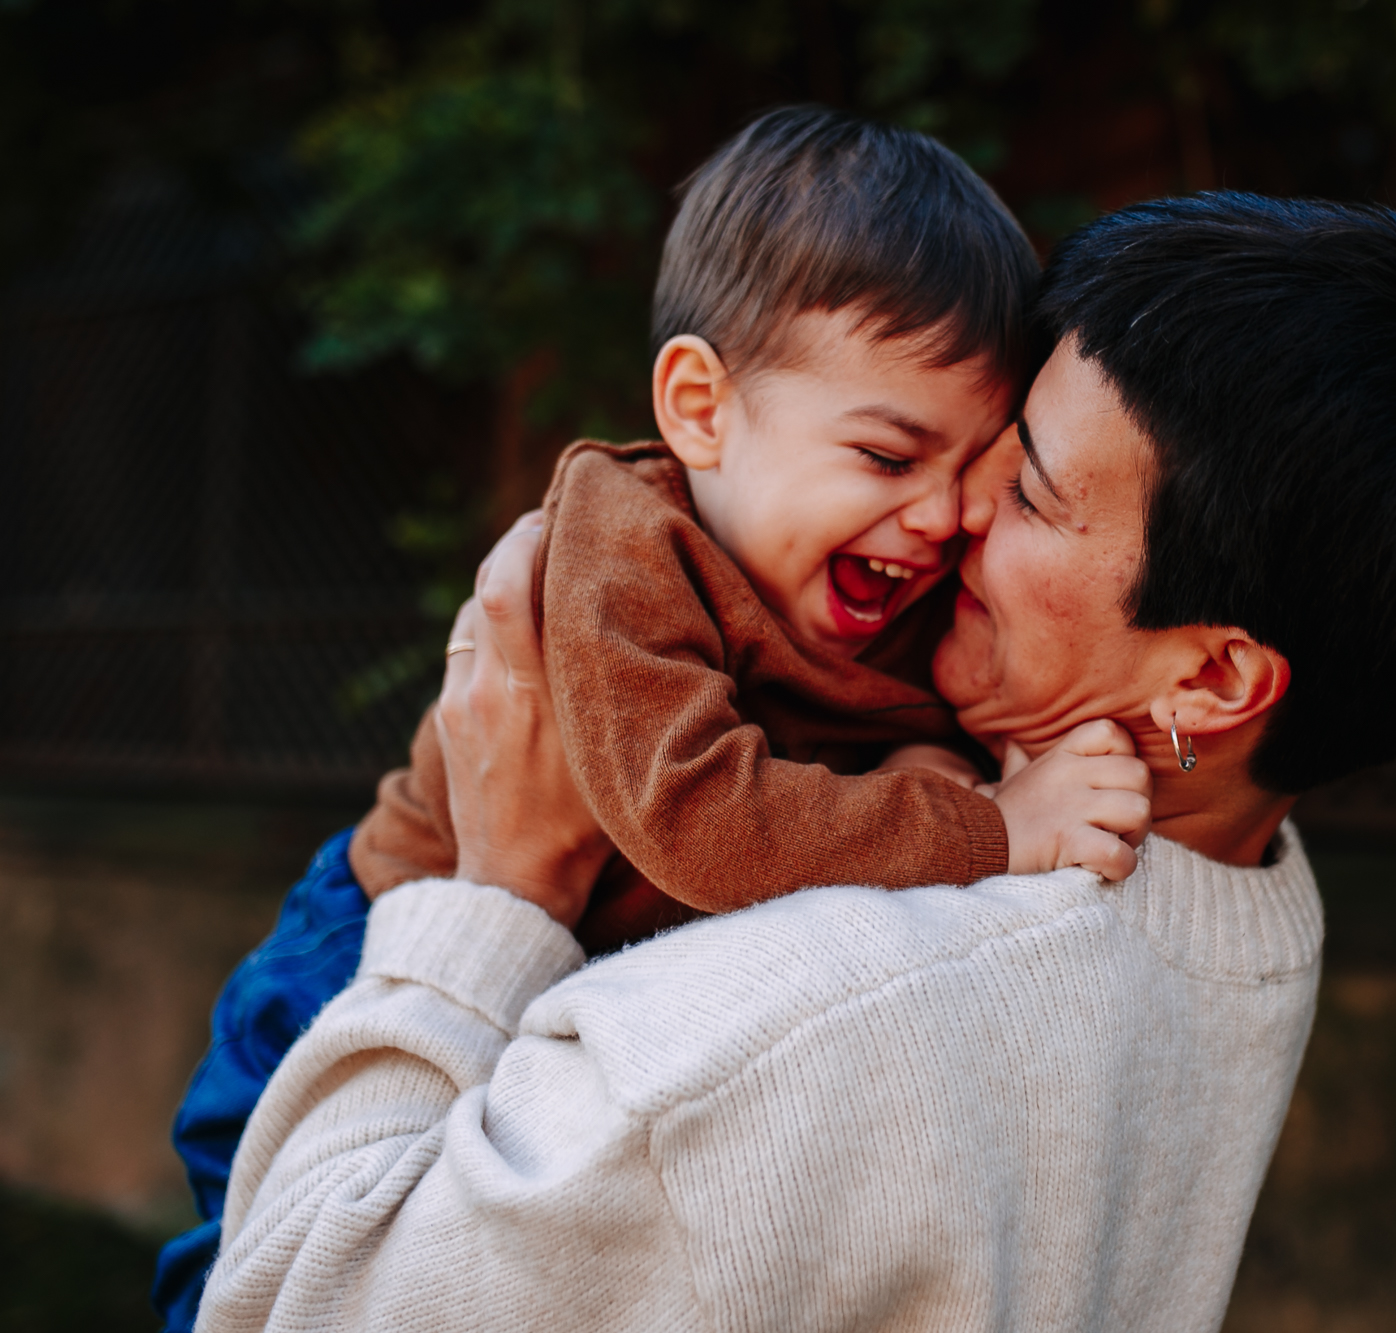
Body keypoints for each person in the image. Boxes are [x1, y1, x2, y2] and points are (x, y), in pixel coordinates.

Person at [192, 194, 1396, 1331]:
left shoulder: (789, 1036)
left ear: (1211, 676)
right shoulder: (1252, 917)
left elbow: (286, 1308)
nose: (953, 513)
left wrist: (497, 896)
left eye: (1032, 490)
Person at [154, 107, 1151, 1328]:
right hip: (360, 959)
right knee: (247, 1262)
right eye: (890, 458)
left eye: (972, 468)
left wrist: (929, 761)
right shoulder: (624, 554)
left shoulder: (868, 565)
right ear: (698, 407)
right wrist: (995, 830)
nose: (945, 518)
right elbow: (702, 822)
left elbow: (895, 739)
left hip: (564, 983)